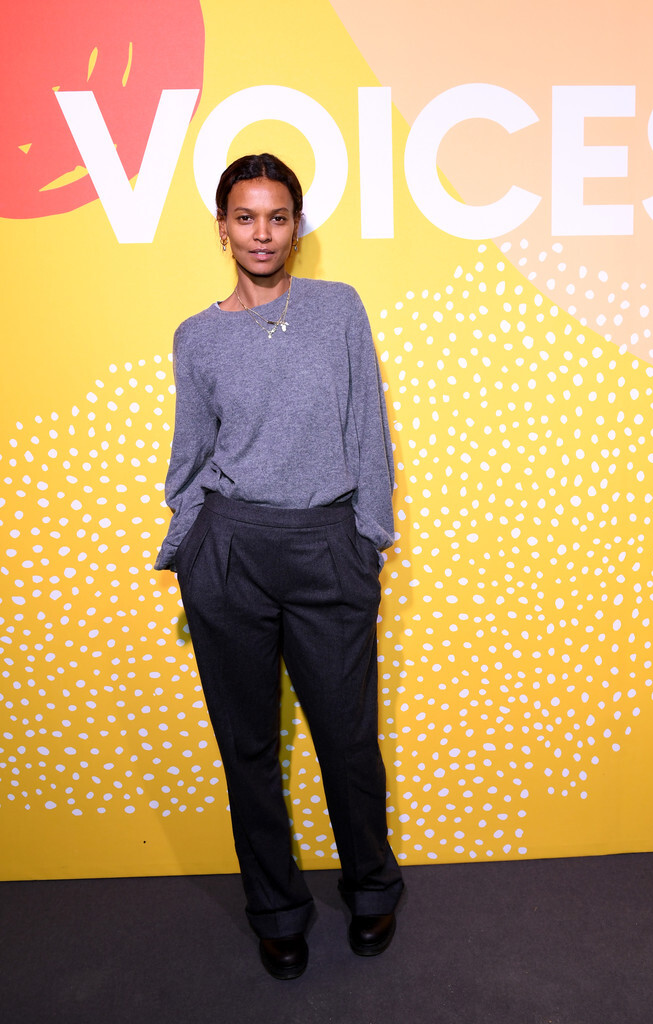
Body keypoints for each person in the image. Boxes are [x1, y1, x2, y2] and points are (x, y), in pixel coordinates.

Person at [154, 153, 403, 980]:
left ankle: (372, 888)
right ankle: (276, 909)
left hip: (329, 547)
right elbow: (191, 453)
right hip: (230, 553)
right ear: (222, 227)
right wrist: (192, 542)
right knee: (248, 748)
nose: (262, 233)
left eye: (278, 217)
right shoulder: (196, 336)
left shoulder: (338, 309)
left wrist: (366, 537)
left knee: (347, 740)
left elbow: (367, 429)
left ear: (297, 226)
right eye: (245, 217)